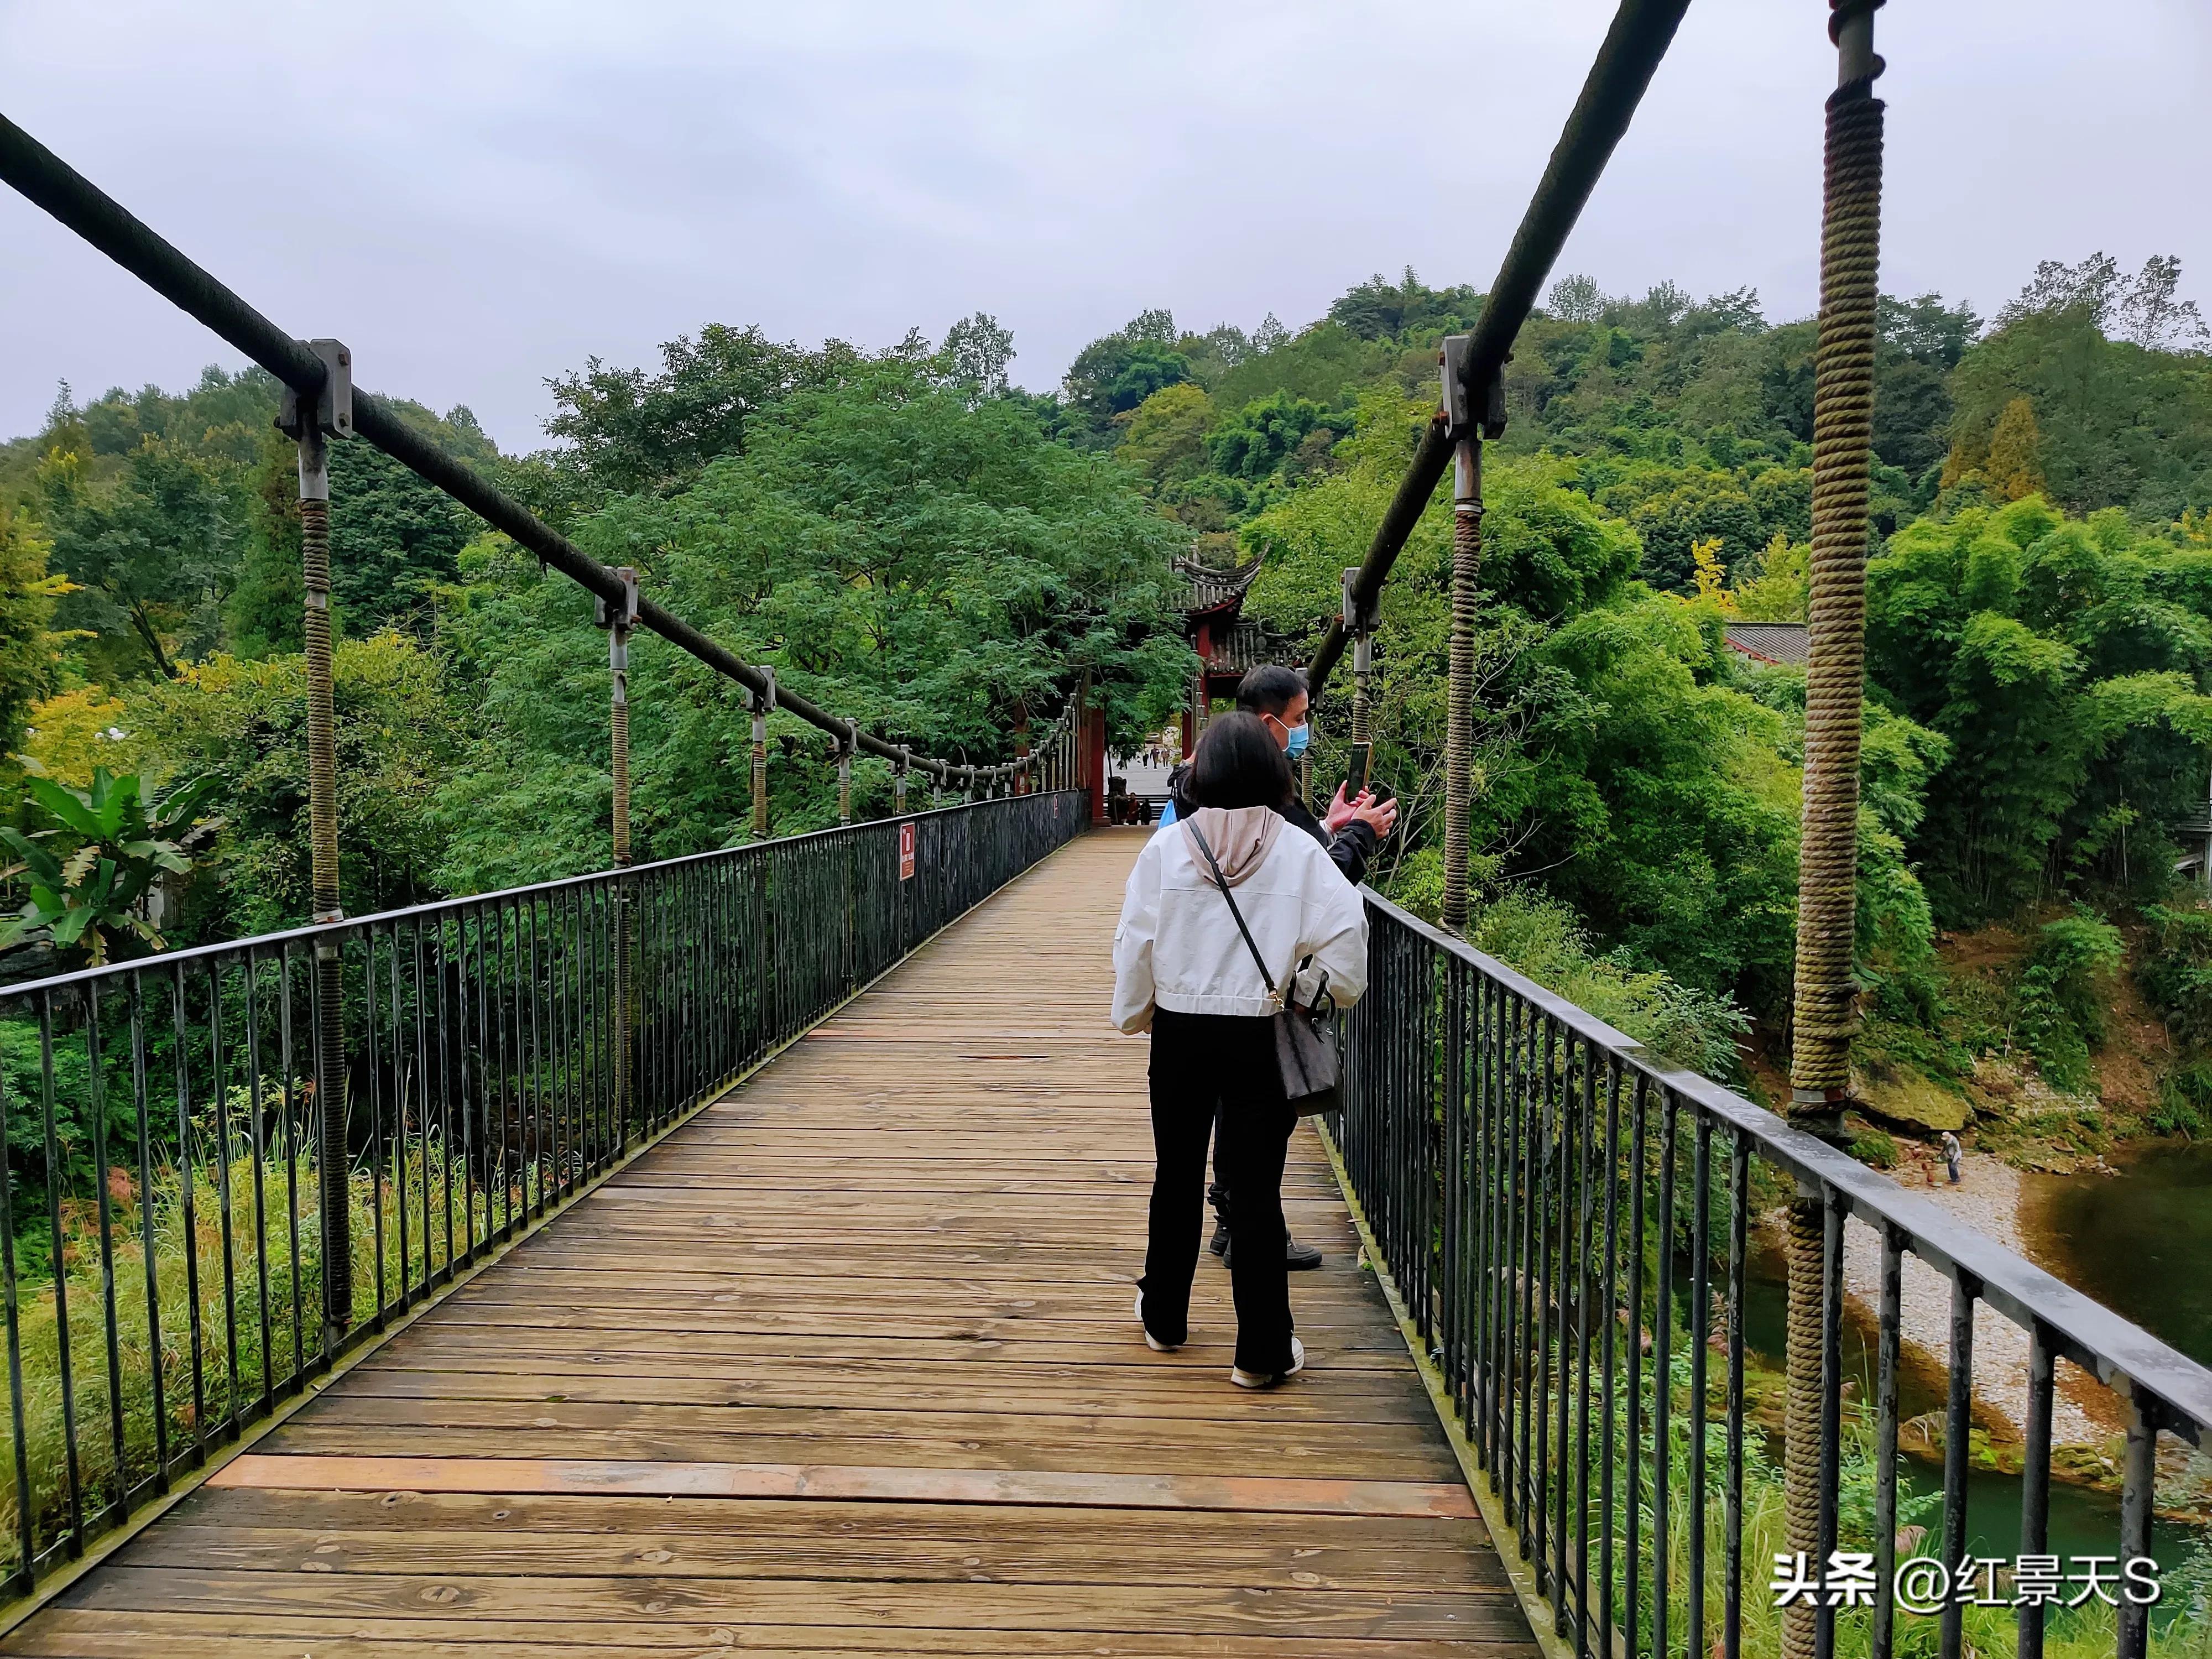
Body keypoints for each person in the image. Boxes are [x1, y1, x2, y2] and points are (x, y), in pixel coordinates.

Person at [1112, 713, 1369, 1388]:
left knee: (1175, 1171)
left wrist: (1137, 1015)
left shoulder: (1165, 850)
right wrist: (1308, 990)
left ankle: (1164, 1316)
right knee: (1255, 1189)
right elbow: (1347, 952)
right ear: (1274, 773)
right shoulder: (1299, 851)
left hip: (1180, 1031)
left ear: (1200, 774)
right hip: (1258, 1032)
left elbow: (1134, 946)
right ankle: (1261, 1350)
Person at [1160, 664, 1395, 1269]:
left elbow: (1140, 929)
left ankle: (1175, 1290)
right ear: (1269, 726)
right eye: (1299, 720)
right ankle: (1252, 1251)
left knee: (1181, 1164)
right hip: (1259, 999)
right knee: (1261, 1136)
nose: (1304, 731)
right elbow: (1319, 892)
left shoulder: (1190, 802)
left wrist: (1140, 1010)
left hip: (1186, 1006)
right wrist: (1359, 838)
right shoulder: (1270, 816)